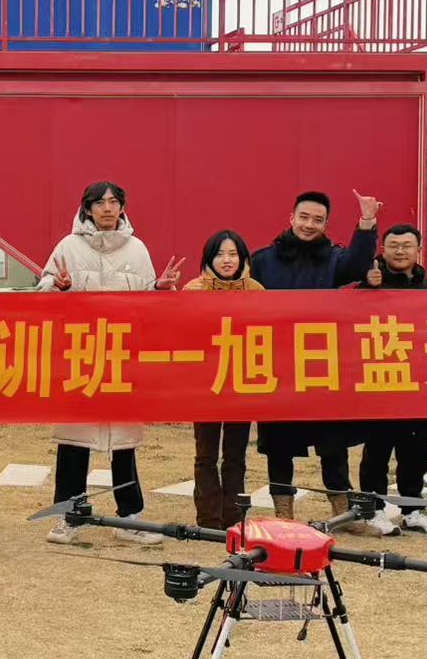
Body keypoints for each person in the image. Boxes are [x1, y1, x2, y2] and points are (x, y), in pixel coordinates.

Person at [36, 181, 184, 545]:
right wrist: (61, 288)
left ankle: (129, 518)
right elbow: (42, 295)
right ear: (86, 208)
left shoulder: (137, 249)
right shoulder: (67, 247)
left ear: (122, 208)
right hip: (80, 357)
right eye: (99, 202)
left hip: (122, 359)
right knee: (73, 442)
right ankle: (69, 517)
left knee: (124, 444)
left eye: (114, 201)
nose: (107, 207)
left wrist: (159, 289)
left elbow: (149, 306)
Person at [248, 188, 381, 528]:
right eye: (304, 217)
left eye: (318, 220)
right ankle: (284, 514)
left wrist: (367, 221)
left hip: (322, 365)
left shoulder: (333, 259)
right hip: (277, 365)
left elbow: (357, 265)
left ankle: (342, 512)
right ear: (291, 217)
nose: (309, 224)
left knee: (332, 443)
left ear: (325, 224)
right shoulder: (262, 260)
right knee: (278, 445)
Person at [351, 223, 427, 536]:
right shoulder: (369, 287)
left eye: (407, 246)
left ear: (418, 250)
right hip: (380, 383)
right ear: (384, 249)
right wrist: (366, 287)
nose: (400, 251)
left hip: (418, 387)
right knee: (376, 452)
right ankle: (374, 510)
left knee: (417, 453)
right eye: (394, 246)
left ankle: (412, 510)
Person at [183, 229, 264, 530]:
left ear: (242, 258)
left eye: (233, 254)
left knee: (235, 456)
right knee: (205, 454)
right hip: (205, 385)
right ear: (208, 258)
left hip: (241, 383)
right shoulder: (193, 290)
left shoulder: (256, 290)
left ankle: (234, 517)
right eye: (220, 254)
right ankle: (208, 518)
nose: (227, 260)